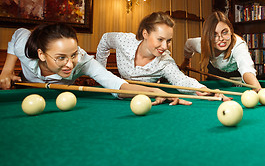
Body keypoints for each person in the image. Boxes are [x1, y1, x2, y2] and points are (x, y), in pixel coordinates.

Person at [0, 23, 177, 104]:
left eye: (74, 54)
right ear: (42, 54)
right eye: (61, 58)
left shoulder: (83, 61)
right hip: (27, 87)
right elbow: (18, 34)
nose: (70, 65)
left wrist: (154, 91)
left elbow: (117, 86)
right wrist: (7, 70)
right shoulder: (26, 47)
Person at [96, 12, 231, 104]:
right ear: (145, 34)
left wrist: (208, 92)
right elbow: (105, 40)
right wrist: (101, 74)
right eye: (160, 39)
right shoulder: (124, 41)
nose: (165, 46)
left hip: (149, 99)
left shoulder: (165, 62)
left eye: (169, 40)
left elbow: (182, 80)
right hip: (121, 93)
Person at [181, 11, 262, 90]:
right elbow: (188, 45)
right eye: (214, 35)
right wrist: (186, 61)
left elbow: (247, 69)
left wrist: (257, 89)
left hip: (237, 77)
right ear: (208, 36)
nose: (221, 39)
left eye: (225, 32)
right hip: (215, 77)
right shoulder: (202, 44)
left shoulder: (238, 45)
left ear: (230, 31)